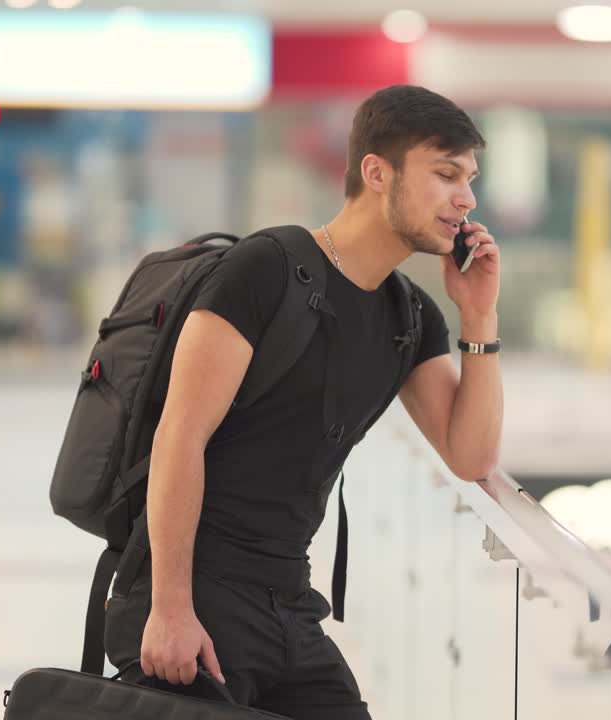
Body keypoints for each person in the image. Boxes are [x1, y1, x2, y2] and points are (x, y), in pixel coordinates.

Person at [103, 84, 504, 719]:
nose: (466, 199)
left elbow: (470, 455)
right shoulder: (265, 269)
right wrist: (170, 607)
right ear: (377, 172)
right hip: (197, 598)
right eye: (445, 174)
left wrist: (478, 316)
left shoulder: (409, 316)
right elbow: (179, 434)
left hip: (290, 602)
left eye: (469, 179)